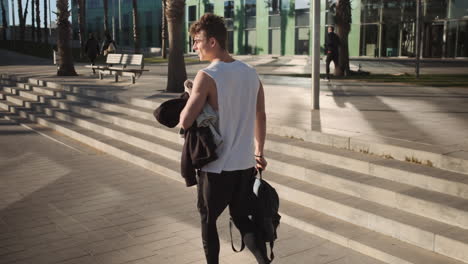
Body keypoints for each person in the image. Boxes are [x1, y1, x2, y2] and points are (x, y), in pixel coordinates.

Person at [179, 13, 270, 264]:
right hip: (244, 165)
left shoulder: (207, 76)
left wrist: (189, 94)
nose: (194, 46)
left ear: (212, 42)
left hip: (216, 167)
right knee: (242, 218)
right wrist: (259, 152)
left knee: (208, 220)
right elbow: (260, 115)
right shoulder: (251, 73)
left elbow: (185, 121)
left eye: (197, 40)